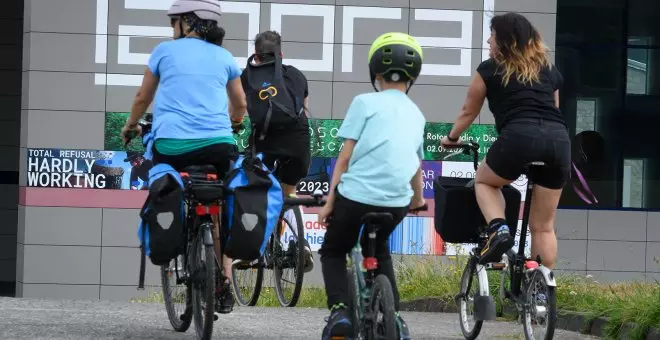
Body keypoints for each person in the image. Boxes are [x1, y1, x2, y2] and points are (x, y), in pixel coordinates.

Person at [120, 0, 247, 314]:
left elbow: (142, 97)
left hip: (172, 146)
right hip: (218, 147)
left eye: (173, 21)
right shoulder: (225, 56)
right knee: (218, 203)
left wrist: (130, 125)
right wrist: (233, 123)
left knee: (170, 185)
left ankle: (177, 241)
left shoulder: (164, 51)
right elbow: (241, 104)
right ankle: (224, 279)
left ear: (187, 22)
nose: (171, 27)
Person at [317, 32, 427, 340]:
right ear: (414, 75)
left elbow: (345, 158)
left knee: (334, 251)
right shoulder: (417, 114)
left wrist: (329, 202)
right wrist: (417, 200)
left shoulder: (364, 102)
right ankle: (398, 321)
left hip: (356, 198)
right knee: (380, 251)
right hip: (396, 202)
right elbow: (415, 168)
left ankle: (339, 313)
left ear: (375, 72)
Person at [441, 12, 570, 269]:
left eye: (492, 36)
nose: (488, 41)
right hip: (558, 142)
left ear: (504, 41)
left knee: (485, 181)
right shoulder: (548, 70)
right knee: (544, 227)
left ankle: (499, 230)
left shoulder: (489, 69)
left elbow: (469, 111)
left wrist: (451, 137)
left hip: (519, 138)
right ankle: (541, 291)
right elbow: (554, 109)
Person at [238, 30, 314, 272]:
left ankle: (251, 250)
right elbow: (303, 110)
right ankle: (301, 244)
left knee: (255, 191)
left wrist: (235, 123)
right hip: (298, 146)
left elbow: (239, 110)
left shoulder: (246, 77)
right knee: (287, 195)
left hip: (265, 144)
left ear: (255, 56)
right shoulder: (296, 75)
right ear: (281, 54)